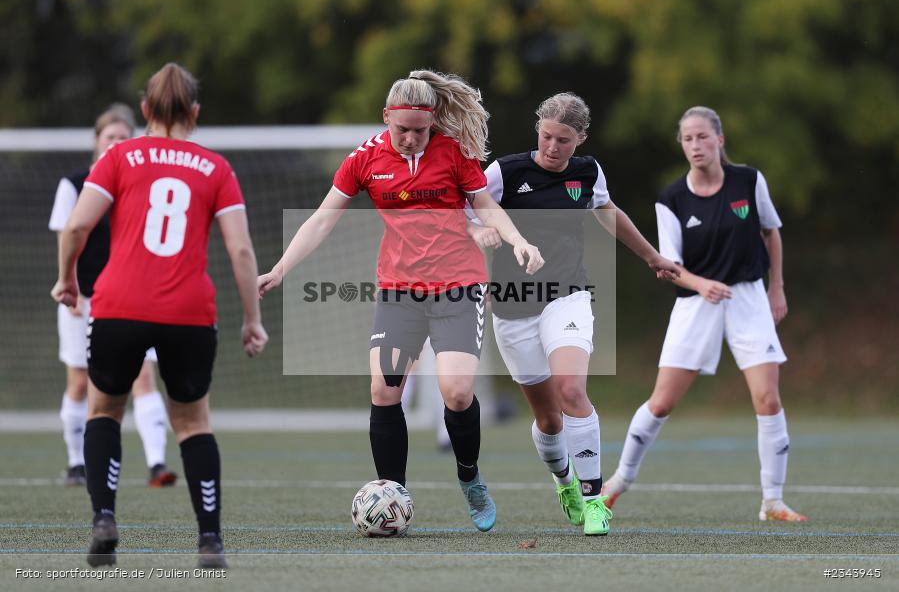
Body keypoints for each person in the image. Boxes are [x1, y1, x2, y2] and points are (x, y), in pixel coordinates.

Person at [258, 69, 543, 532]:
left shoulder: (453, 152)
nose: (411, 138)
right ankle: (393, 494)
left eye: (420, 131)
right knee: (384, 389)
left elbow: (486, 206)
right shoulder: (364, 159)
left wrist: (518, 241)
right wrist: (279, 269)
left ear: (432, 123)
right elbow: (322, 220)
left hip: (458, 286)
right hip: (399, 292)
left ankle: (469, 477)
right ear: (386, 117)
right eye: (402, 129)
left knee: (457, 392)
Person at [51, 63, 268, 568]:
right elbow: (240, 251)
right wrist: (252, 319)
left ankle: (104, 518)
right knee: (192, 424)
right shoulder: (216, 167)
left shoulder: (118, 156)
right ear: (195, 111)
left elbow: (76, 227)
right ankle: (210, 540)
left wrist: (67, 279)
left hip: (118, 306)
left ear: (145, 109)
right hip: (188, 312)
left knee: (104, 412)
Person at [468, 92, 680, 536]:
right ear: (538, 130)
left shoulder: (588, 173)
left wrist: (652, 257)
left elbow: (608, 212)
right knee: (548, 420)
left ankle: (594, 499)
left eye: (563, 140)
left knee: (571, 389)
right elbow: (461, 210)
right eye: (546, 136)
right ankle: (564, 480)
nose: (552, 147)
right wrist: (478, 231)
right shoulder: (505, 172)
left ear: (580, 138)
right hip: (512, 305)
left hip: (567, 295)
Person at [601, 106, 806, 522]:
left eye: (702, 136)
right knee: (661, 403)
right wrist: (701, 285)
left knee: (768, 398)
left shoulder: (749, 181)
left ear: (719, 140)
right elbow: (668, 265)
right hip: (696, 303)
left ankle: (772, 501)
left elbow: (771, 232)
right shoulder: (671, 198)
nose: (695, 145)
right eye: (688, 138)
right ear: (682, 145)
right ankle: (618, 481)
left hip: (748, 298)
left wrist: (777, 287)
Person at [49, 104, 177, 489]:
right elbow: (67, 238)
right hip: (84, 299)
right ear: (96, 140)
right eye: (110, 137)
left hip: (132, 300)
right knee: (80, 380)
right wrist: (70, 286)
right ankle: (77, 463)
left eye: (124, 137)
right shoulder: (74, 185)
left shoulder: (141, 186)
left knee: (144, 376)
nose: (116, 143)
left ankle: (157, 464)